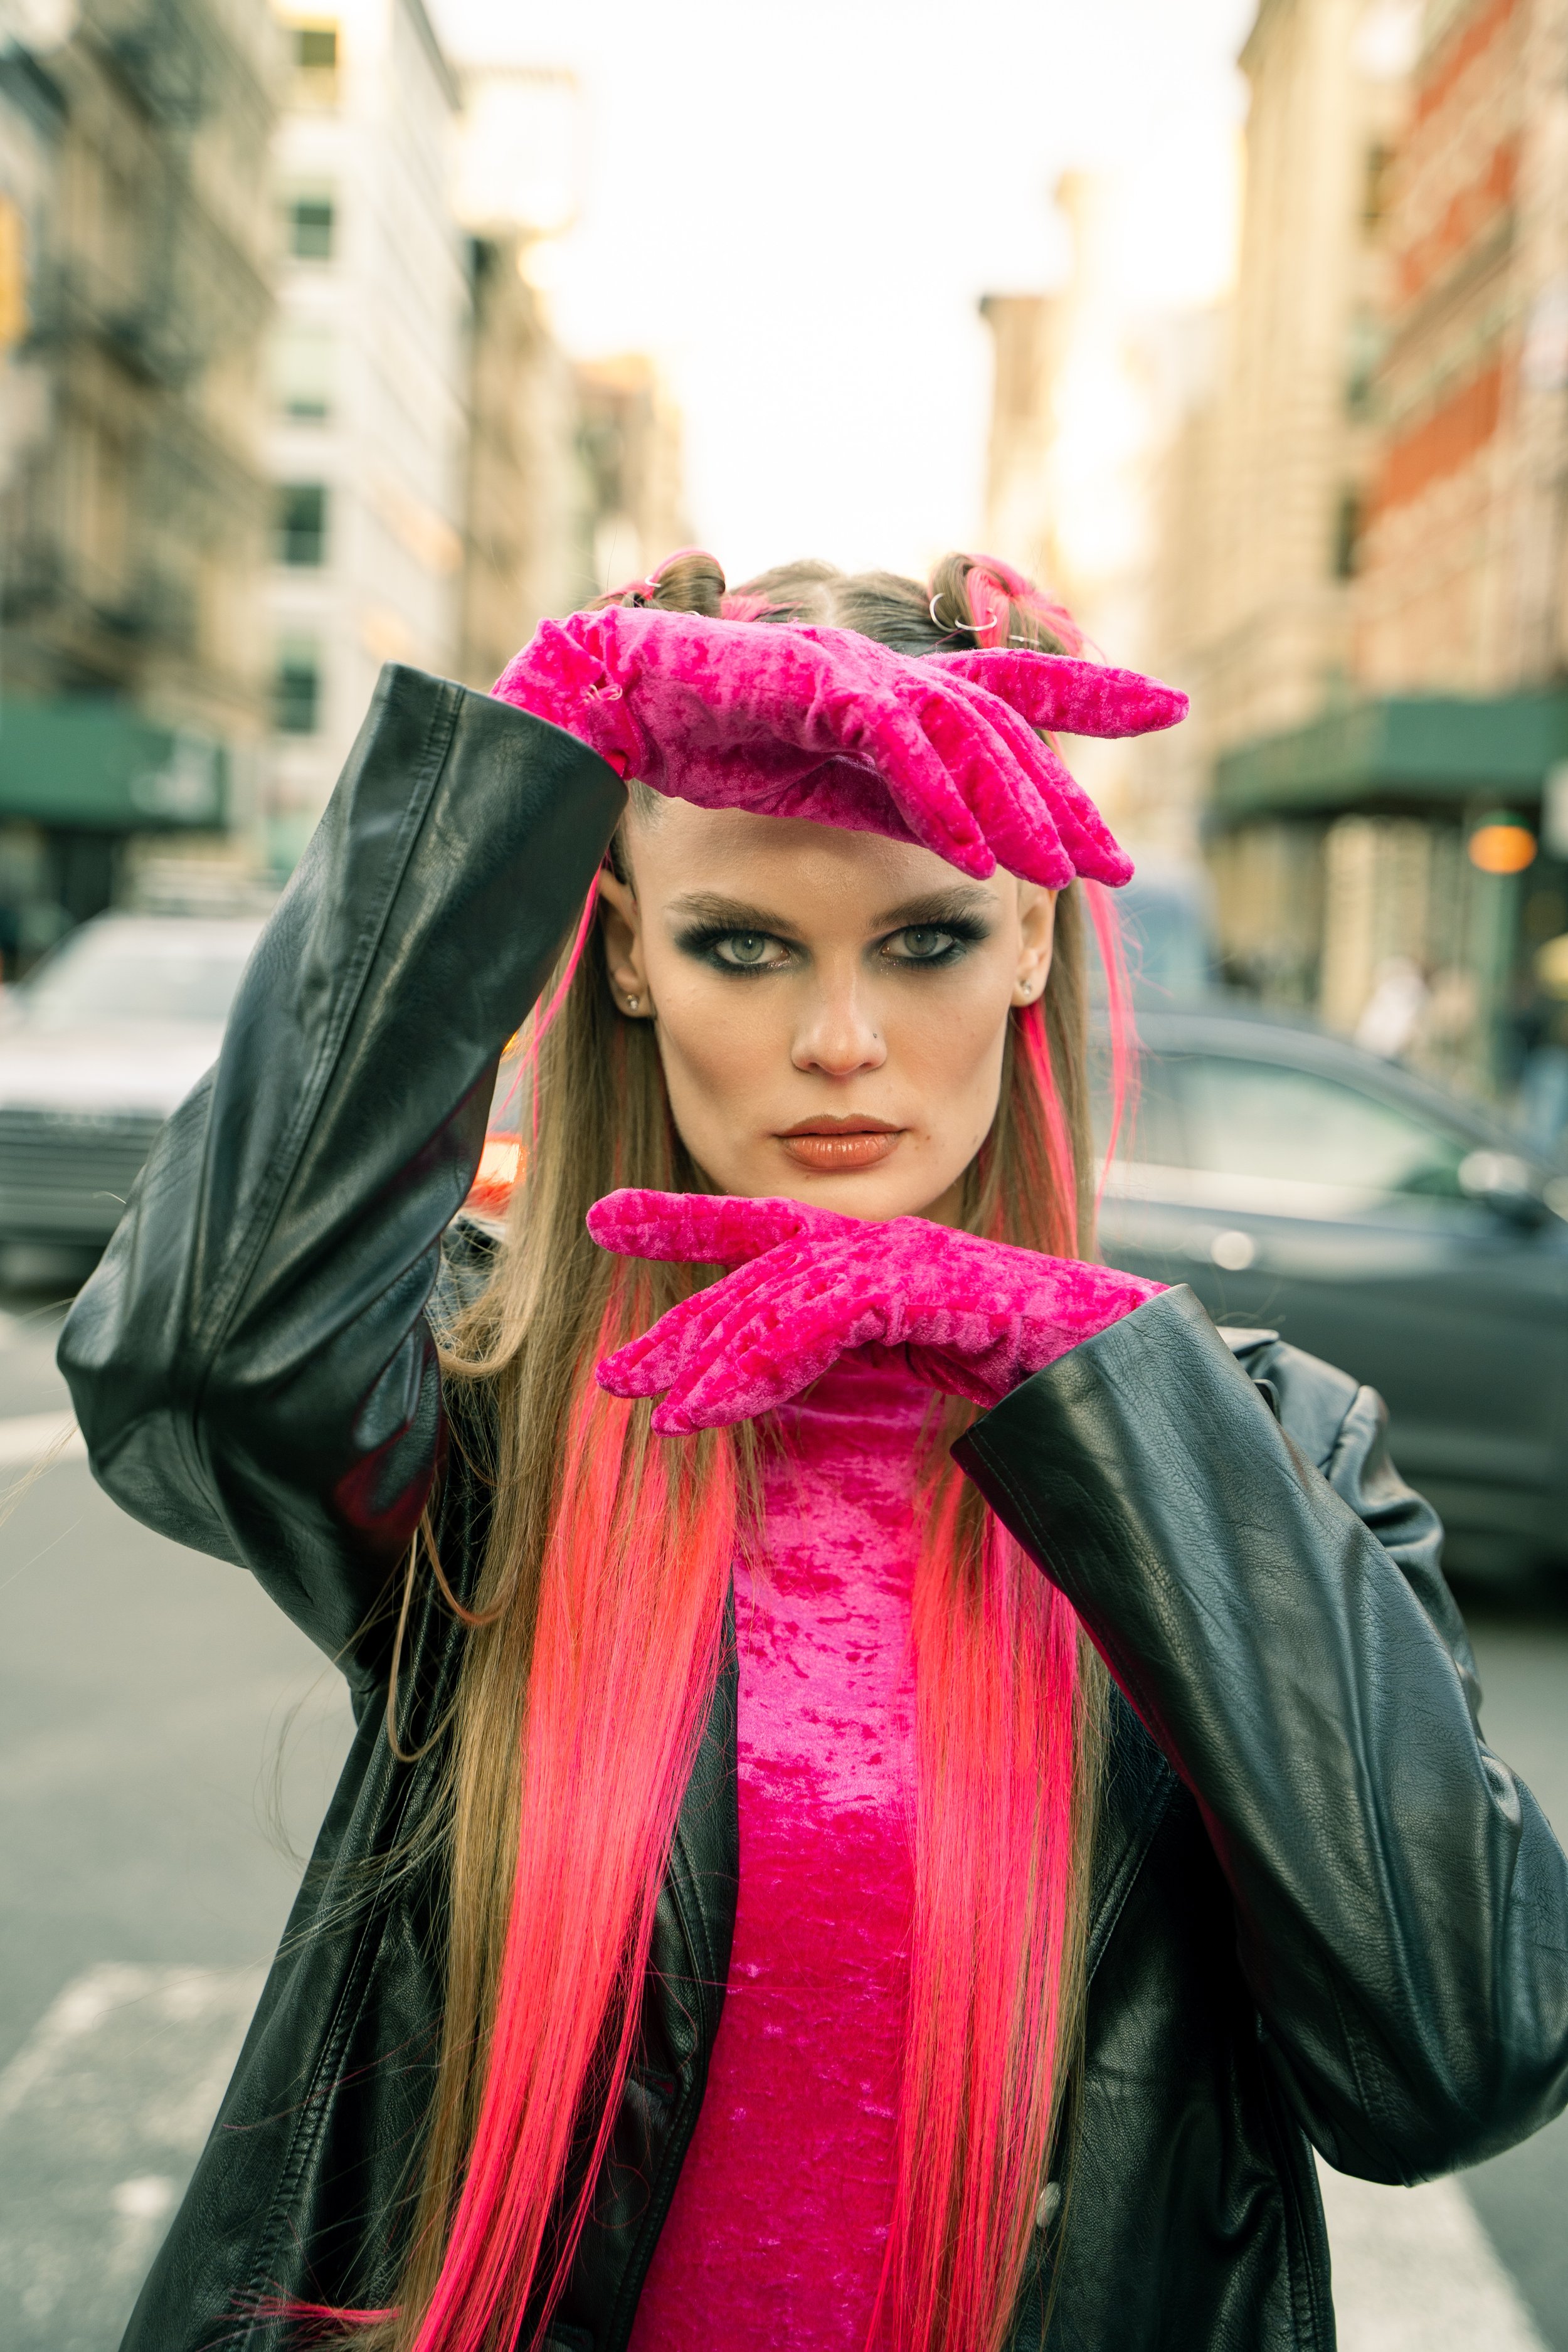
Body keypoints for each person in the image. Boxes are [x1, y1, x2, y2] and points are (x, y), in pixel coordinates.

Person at [60, 552, 1568, 2352]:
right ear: (625, 952)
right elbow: (196, 1357)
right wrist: (536, 746)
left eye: (922, 937)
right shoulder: (495, 1405)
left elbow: (1454, 2059)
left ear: (1027, 937)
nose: (836, 1043)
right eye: (740, 943)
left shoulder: (1265, 1450)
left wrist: (1098, 1401)